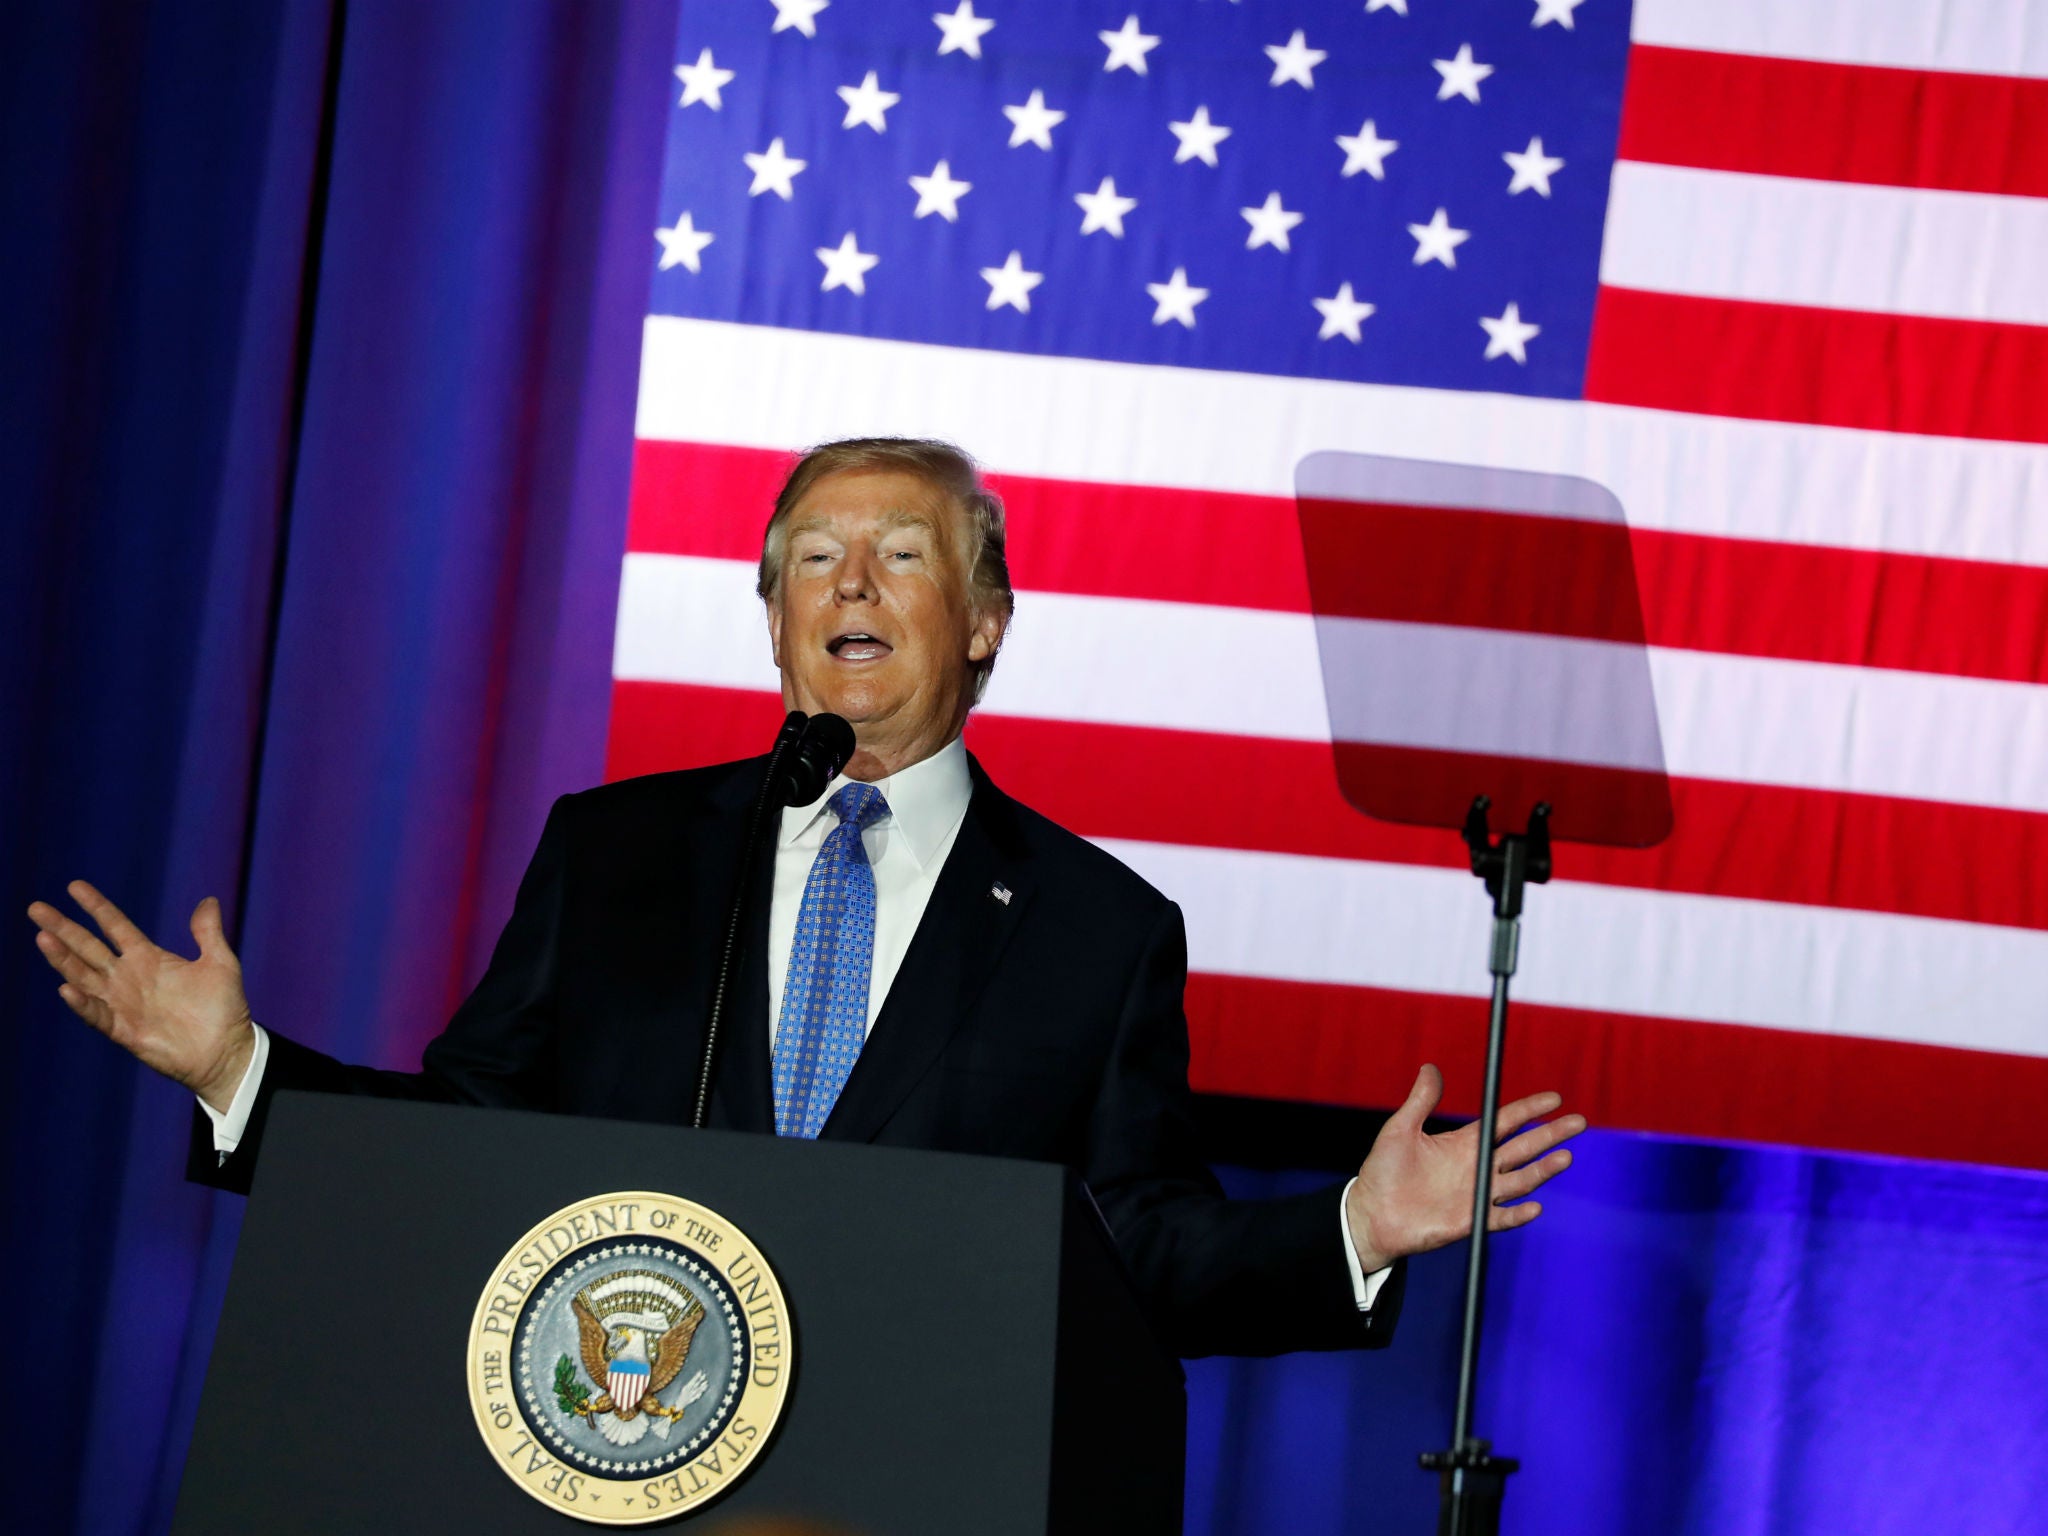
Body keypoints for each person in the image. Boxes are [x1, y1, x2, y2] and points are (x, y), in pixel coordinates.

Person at [27, 437, 1583, 1358]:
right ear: (771, 615)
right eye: (813, 557)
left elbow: (1141, 1251)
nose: (848, 584)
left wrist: (1350, 1232)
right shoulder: (615, 852)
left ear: (983, 625)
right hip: (601, 1463)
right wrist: (243, 1075)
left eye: (900, 554)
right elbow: (469, 1150)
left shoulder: (1101, 931)